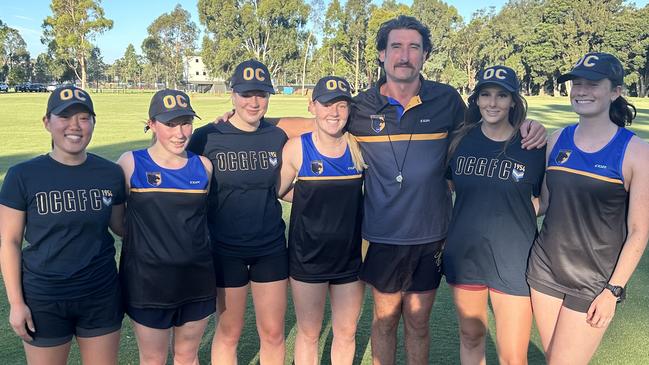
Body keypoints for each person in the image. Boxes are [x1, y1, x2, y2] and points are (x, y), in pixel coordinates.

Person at [211, 16, 547, 365]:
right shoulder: (360, 106)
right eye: (396, 47)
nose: (404, 55)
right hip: (382, 236)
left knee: (418, 321)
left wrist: (526, 123)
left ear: (424, 55)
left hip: (431, 235)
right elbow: (319, 123)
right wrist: (239, 119)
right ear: (382, 55)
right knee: (384, 321)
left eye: (413, 47)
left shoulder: (446, 100)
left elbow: (487, 123)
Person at [526, 52, 649, 364]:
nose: (582, 90)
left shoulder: (636, 152)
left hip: (594, 282)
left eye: (593, 84)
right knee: (554, 357)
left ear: (615, 91)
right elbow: (544, 204)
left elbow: (639, 232)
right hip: (545, 269)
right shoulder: (556, 141)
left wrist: (613, 291)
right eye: (577, 83)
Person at [0, 86, 126, 365]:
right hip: (44, 298)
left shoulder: (110, 173)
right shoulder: (23, 176)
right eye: (64, 117)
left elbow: (122, 227)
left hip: (100, 294)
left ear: (94, 122)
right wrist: (16, 304)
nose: (75, 126)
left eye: (83, 117)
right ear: (47, 122)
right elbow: (9, 241)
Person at [187, 59, 288, 365]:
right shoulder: (207, 136)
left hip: (269, 247)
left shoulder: (277, 136)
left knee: (273, 333)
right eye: (246, 94)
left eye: (261, 94)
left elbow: (317, 122)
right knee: (229, 332)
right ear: (232, 94)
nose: (254, 102)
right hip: (224, 248)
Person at [444, 66, 545, 365]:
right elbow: (448, 188)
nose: (492, 103)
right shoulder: (460, 140)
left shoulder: (532, 145)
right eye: (485, 94)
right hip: (465, 254)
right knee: (471, 337)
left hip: (514, 256)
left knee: (513, 354)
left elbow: (547, 201)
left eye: (502, 95)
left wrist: (514, 217)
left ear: (514, 101)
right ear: (475, 100)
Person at [117, 89, 215, 365]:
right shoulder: (131, 163)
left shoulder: (204, 167)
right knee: (153, 359)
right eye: (170, 124)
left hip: (196, 280)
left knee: (187, 356)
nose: (180, 132)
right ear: (152, 123)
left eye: (185, 122)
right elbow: (118, 220)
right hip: (147, 284)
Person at [278, 76, 365, 365]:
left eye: (342, 105)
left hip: (350, 258)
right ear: (312, 106)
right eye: (327, 104)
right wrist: (309, 197)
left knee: (346, 331)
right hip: (307, 257)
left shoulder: (359, 148)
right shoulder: (296, 148)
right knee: (309, 333)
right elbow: (278, 191)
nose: (334, 112)